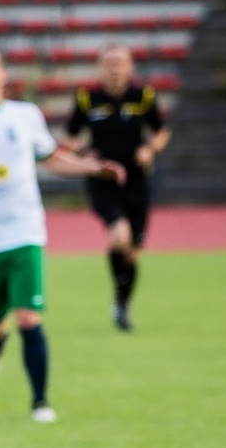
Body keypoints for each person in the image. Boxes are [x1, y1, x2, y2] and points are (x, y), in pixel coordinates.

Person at [0, 43, 124, 424]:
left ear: (2, 75)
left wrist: (92, 169)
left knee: (29, 318)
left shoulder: (24, 116)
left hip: (24, 233)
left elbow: (50, 158)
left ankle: (40, 402)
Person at [65, 44, 171, 333]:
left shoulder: (143, 96)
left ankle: (121, 304)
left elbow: (161, 131)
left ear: (130, 66)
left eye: (120, 62)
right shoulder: (88, 98)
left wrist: (149, 149)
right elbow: (70, 137)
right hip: (103, 179)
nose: (114, 68)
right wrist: (86, 153)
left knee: (133, 252)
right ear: (100, 67)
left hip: (136, 181)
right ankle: (120, 302)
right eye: (109, 62)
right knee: (119, 235)